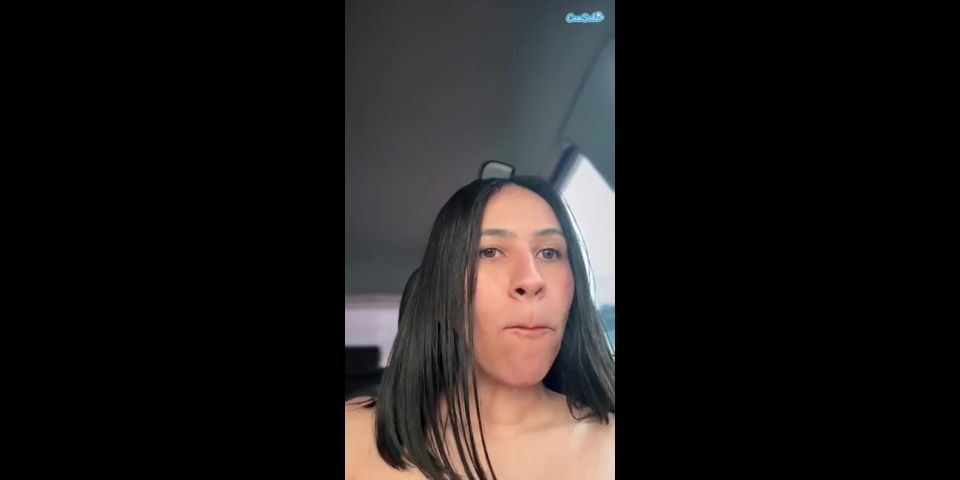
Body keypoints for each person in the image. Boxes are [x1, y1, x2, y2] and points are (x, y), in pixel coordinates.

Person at [345, 176, 615, 479]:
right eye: (490, 251)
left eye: (549, 253)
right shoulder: (354, 436)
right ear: (444, 293)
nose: (532, 279)